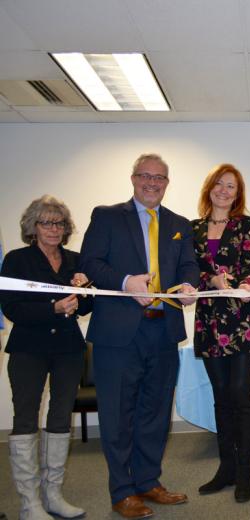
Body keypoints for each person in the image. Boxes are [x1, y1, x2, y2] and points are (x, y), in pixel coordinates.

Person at [80, 153, 199, 519]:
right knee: (117, 414)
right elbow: (89, 263)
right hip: (118, 333)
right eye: (145, 176)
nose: (152, 183)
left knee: (155, 412)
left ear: (167, 183)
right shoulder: (107, 216)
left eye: (159, 178)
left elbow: (188, 265)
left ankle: (148, 481)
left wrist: (189, 284)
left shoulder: (179, 224)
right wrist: (124, 281)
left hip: (163, 330)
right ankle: (122, 491)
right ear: (133, 179)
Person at [0, 195, 92, 520]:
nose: (54, 228)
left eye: (59, 223)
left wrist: (84, 290)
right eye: (46, 222)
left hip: (68, 350)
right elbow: (10, 307)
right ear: (33, 227)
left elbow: (90, 304)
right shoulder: (16, 260)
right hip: (28, 349)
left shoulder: (75, 260)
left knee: (59, 417)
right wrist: (52, 308)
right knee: (25, 418)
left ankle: (53, 495)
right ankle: (30, 503)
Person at [191, 164, 250, 501]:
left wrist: (235, 283)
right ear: (209, 188)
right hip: (209, 320)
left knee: (240, 392)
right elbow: (191, 271)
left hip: (242, 318)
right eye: (219, 184)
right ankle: (226, 468)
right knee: (221, 394)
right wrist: (211, 281)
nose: (224, 190)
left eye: (231, 186)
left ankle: (246, 472)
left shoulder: (248, 225)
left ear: (238, 194)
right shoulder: (191, 229)